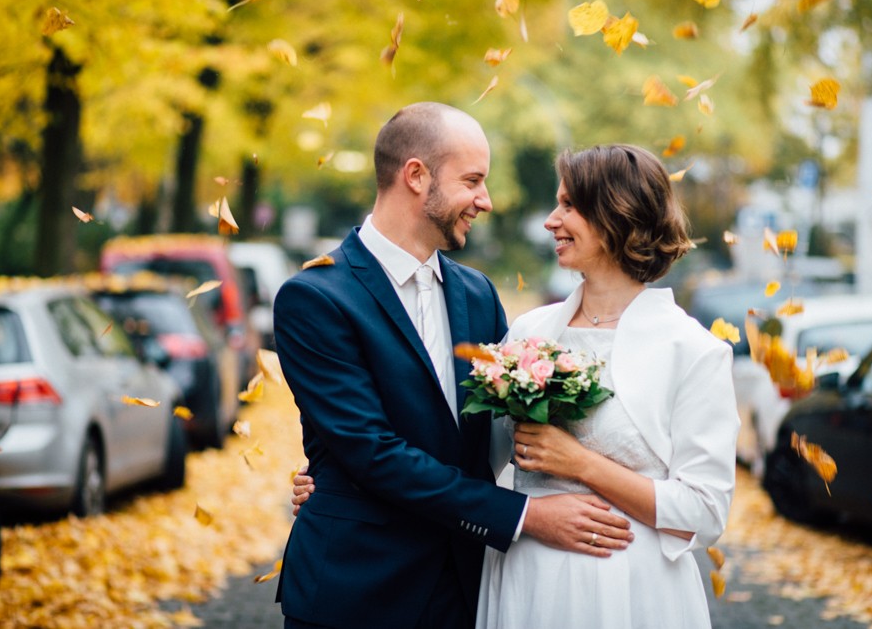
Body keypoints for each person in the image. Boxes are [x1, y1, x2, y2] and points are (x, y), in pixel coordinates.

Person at [273, 103, 632, 629]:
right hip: (356, 591)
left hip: (465, 590)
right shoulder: (315, 298)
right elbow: (371, 452)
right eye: (473, 180)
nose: (485, 200)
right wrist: (526, 517)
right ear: (416, 176)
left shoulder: (477, 294)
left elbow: (504, 426)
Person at [476, 144, 740, 628]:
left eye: (569, 205)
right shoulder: (529, 333)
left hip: (632, 594)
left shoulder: (693, 351)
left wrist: (580, 463)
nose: (551, 220)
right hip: (526, 584)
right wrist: (337, 481)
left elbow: (704, 510)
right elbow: (474, 457)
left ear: (618, 214)